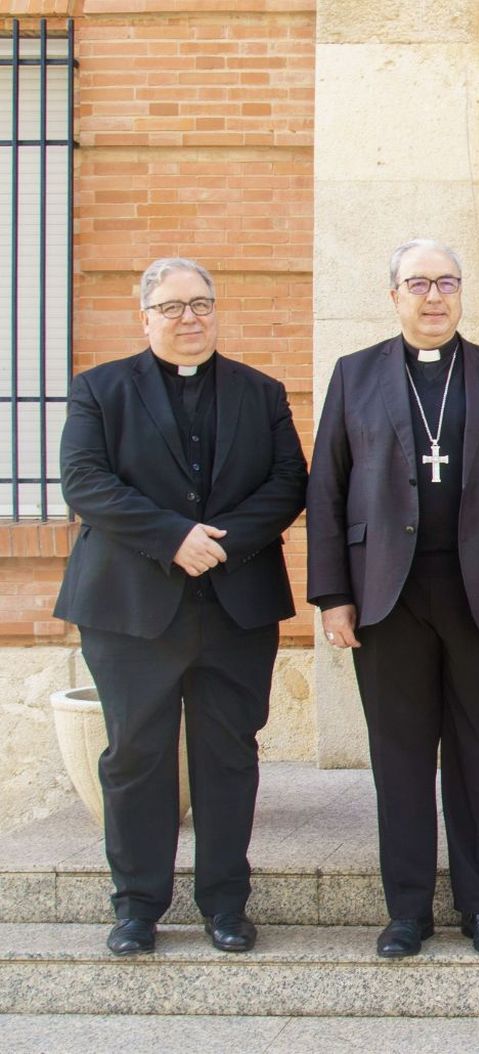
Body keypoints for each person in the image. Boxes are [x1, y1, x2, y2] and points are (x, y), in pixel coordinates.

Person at [306, 239, 479, 959]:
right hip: (389, 599)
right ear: (394, 295)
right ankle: (407, 912)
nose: (434, 295)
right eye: (419, 283)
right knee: (402, 760)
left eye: (447, 282)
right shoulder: (355, 376)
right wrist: (332, 596)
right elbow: (325, 491)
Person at [56, 257, 307, 955]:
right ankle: (137, 905)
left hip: (235, 606)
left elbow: (289, 482)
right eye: (171, 307)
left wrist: (219, 545)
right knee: (135, 755)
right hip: (130, 608)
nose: (188, 317)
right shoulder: (99, 390)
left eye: (200, 303)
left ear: (217, 311)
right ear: (145, 317)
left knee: (229, 755)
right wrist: (174, 539)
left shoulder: (261, 392)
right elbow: (85, 482)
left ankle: (226, 904)